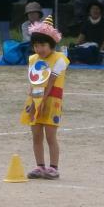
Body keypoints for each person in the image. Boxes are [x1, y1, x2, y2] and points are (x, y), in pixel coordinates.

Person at [20, 17, 69, 180]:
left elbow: (51, 82)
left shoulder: (60, 59)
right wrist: (33, 102)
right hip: (35, 98)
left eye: (43, 45)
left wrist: (39, 103)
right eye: (36, 45)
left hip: (51, 100)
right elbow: (33, 81)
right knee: (36, 135)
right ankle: (39, 166)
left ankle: (53, 167)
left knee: (50, 135)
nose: (39, 49)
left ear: (52, 45)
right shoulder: (33, 59)